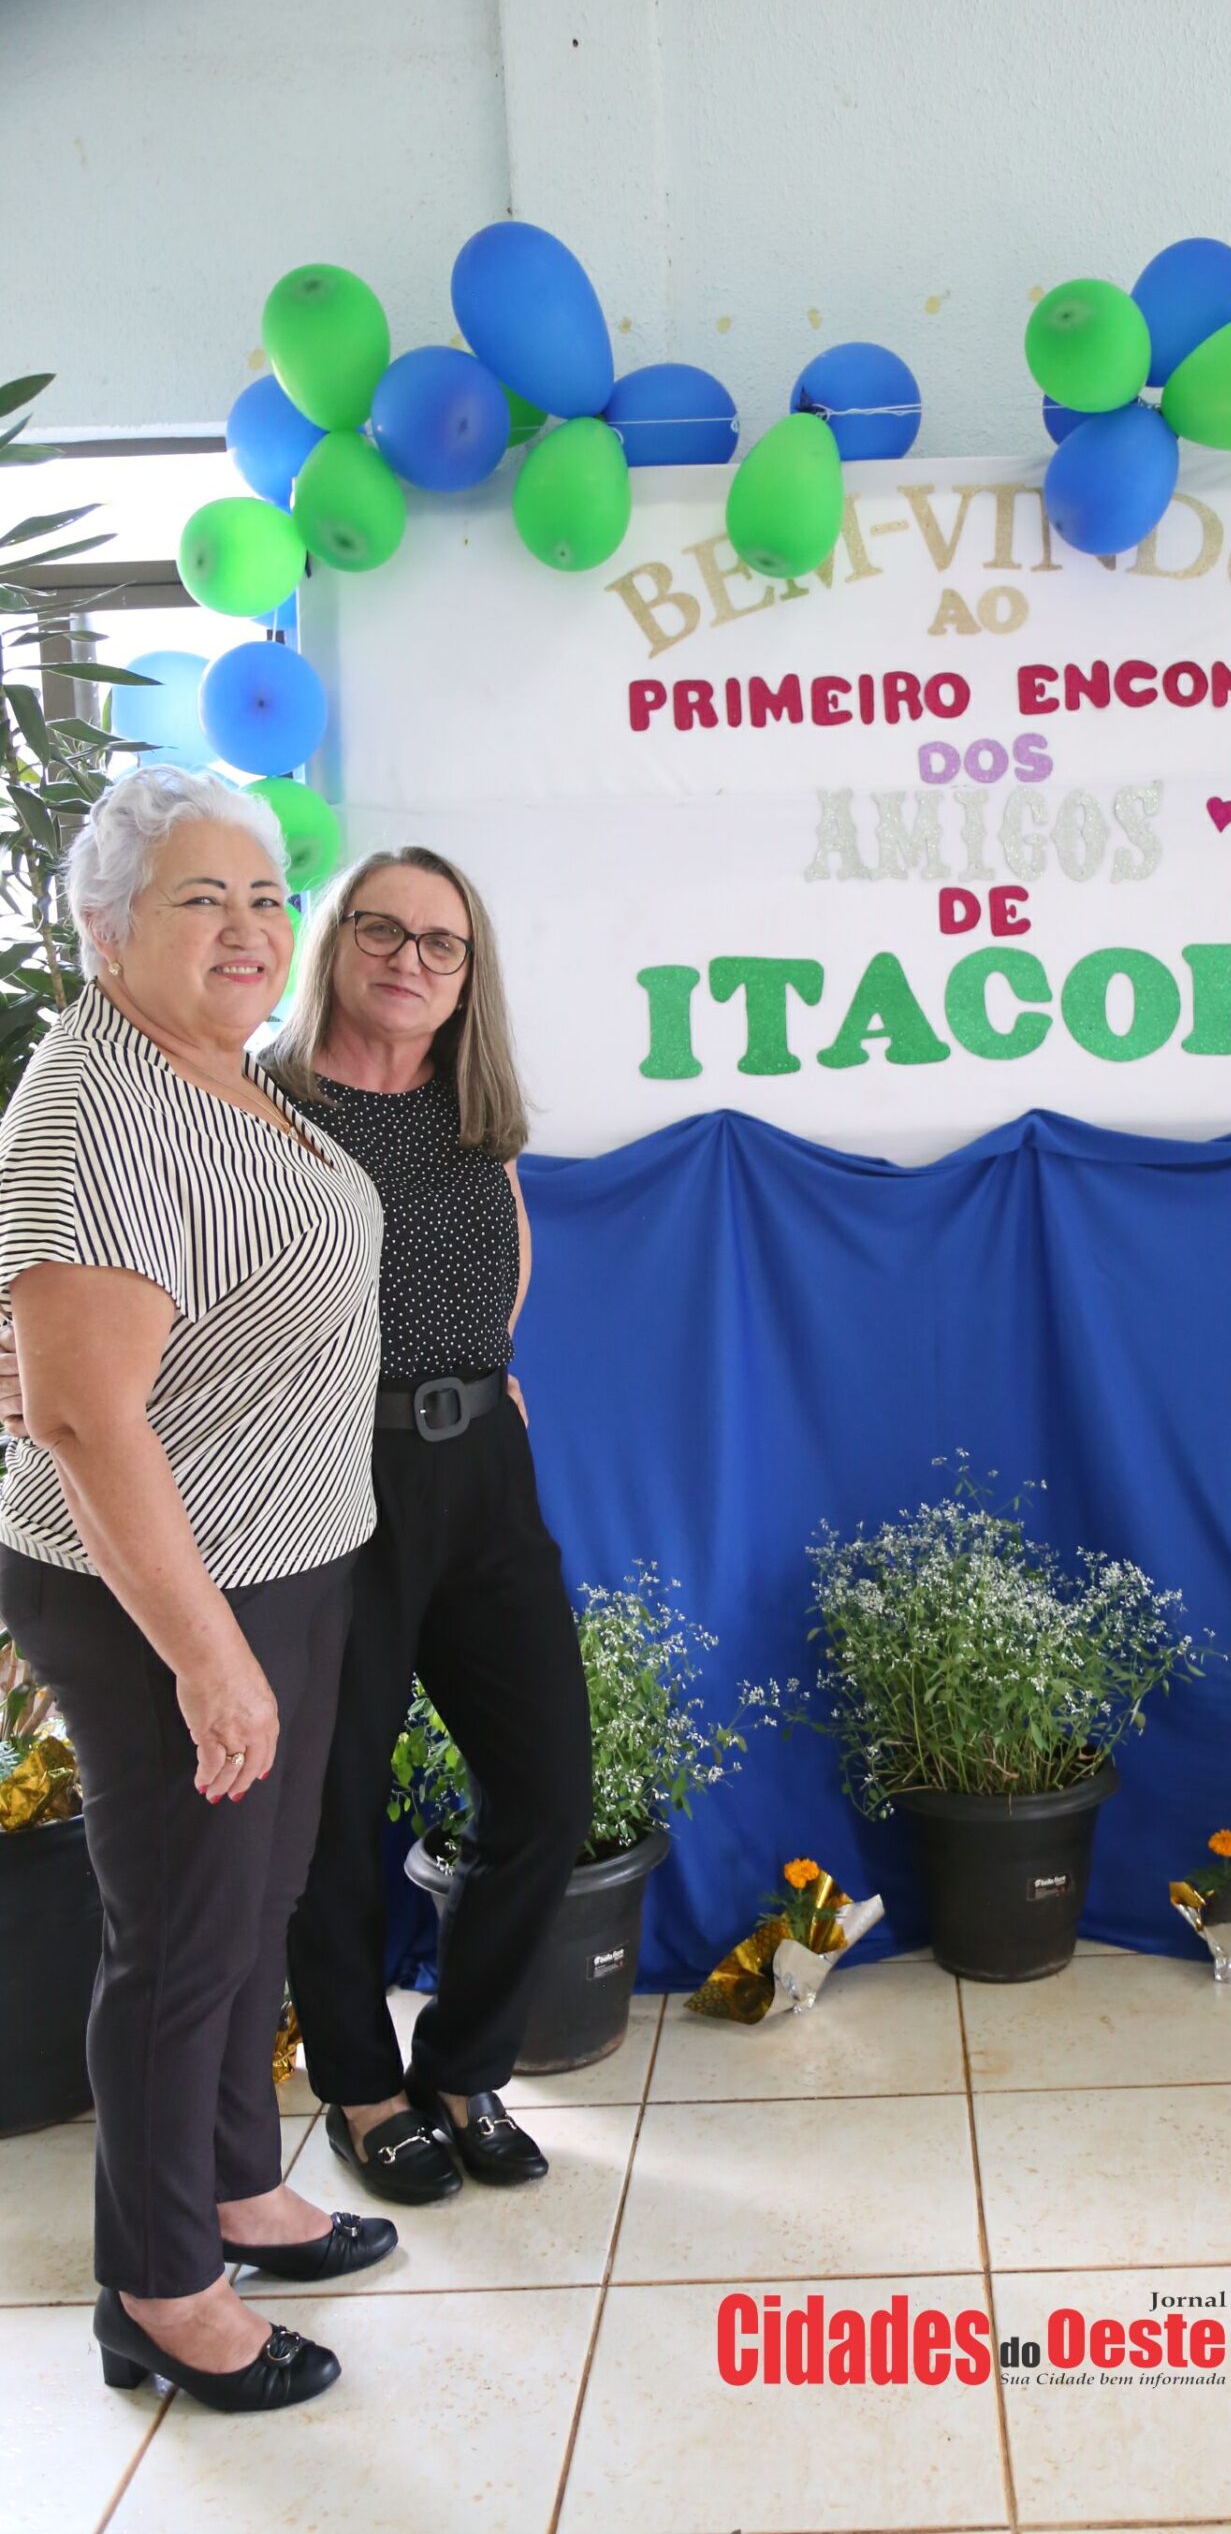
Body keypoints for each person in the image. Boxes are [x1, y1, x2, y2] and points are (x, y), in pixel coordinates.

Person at [0, 768, 393, 2417]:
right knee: (180, 1940)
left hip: (277, 1555)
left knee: (250, 1906)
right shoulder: (99, 1108)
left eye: (265, 898)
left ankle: (235, 2186)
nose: (249, 931)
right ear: (105, 932)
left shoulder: (213, 1069)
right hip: (175, 1594)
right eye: (199, 900)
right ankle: (161, 2291)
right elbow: (87, 1417)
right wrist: (210, 1656)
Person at [265, 846, 592, 2201]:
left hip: (481, 1476)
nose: (411, 959)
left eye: (441, 943)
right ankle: (359, 2085)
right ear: (334, 940)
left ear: (468, 976)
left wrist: (476, 1376)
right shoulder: (261, 1102)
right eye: (384, 930)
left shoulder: (474, 1110)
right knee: (335, 1805)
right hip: (327, 1478)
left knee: (549, 1785)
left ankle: (463, 2066)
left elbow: (502, 1259)